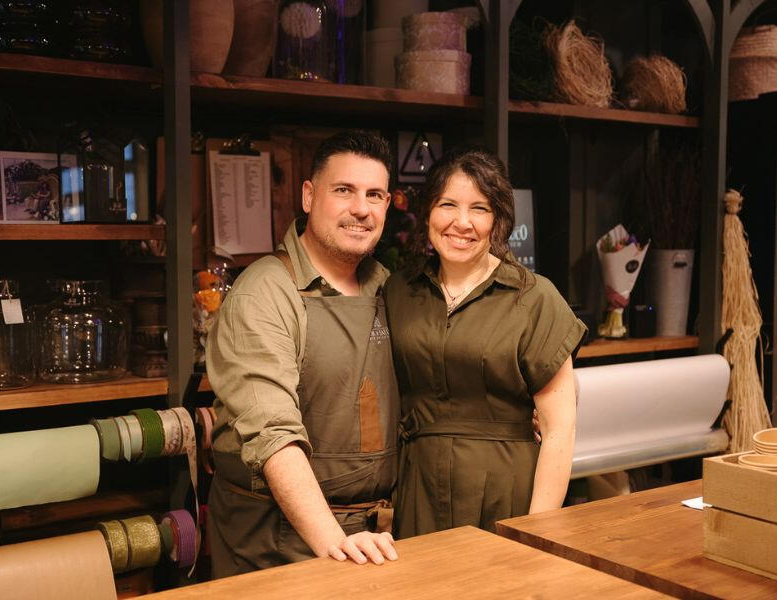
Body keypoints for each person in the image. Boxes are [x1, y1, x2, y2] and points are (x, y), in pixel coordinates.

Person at [206, 130, 400, 578]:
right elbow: (274, 435)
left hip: (373, 536)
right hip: (279, 540)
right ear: (309, 196)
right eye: (344, 190)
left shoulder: (386, 286)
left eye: (374, 194)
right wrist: (336, 545)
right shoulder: (265, 293)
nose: (361, 208)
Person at [385, 146, 585, 537]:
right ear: (427, 212)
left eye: (479, 208)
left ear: (497, 220)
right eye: (447, 205)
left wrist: (536, 531)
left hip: (505, 489)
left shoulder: (534, 297)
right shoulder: (397, 291)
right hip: (419, 490)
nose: (462, 222)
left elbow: (561, 428)